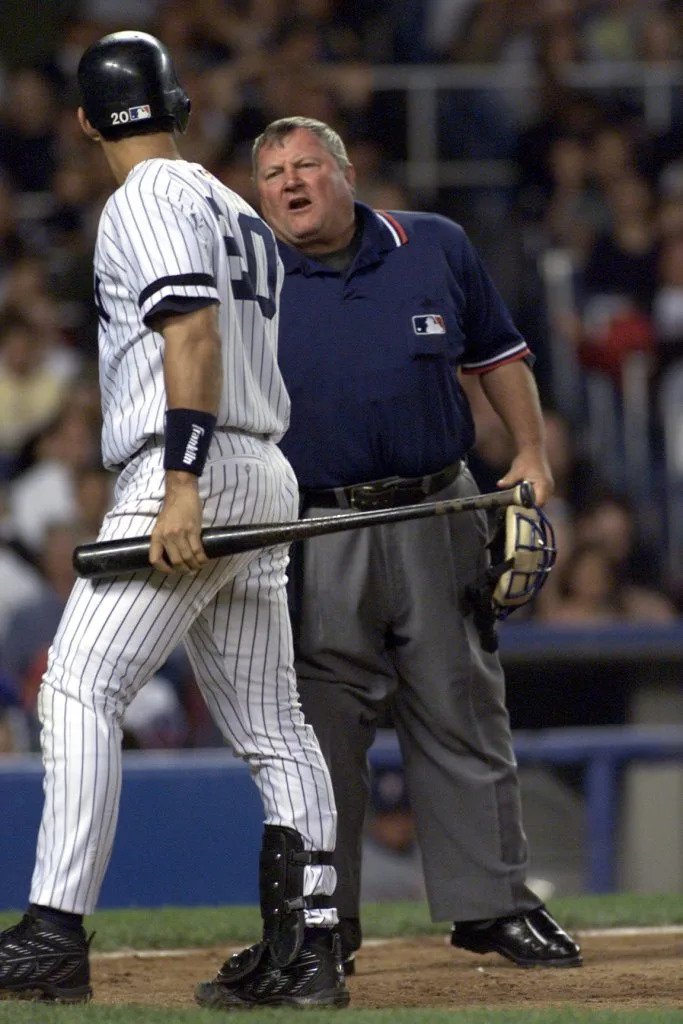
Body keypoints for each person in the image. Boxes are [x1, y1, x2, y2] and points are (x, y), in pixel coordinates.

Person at [0, 36, 348, 1011]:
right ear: (179, 103)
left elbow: (188, 327)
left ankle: (54, 931)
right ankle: (308, 948)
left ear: (82, 123)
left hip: (184, 462)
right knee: (274, 725)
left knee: (75, 686)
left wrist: (184, 480)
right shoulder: (231, 202)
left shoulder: (144, 199)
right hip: (260, 465)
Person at [252, 116, 582, 973]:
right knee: (325, 733)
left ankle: (491, 907)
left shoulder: (431, 243)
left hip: (440, 507)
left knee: (463, 708)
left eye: (306, 165)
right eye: (273, 173)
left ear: (346, 172)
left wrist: (532, 451)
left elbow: (500, 354)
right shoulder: (246, 273)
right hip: (318, 524)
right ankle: (329, 922)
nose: (290, 182)